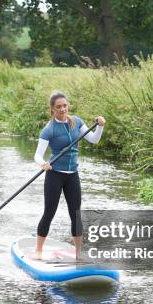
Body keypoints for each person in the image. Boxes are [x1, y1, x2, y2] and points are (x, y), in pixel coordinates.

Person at [33, 91, 106, 260]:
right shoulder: (49, 130)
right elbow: (37, 155)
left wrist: (100, 125)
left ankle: (79, 252)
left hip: (73, 174)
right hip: (55, 175)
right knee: (49, 212)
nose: (62, 109)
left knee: (76, 214)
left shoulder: (77, 122)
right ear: (52, 109)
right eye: (58, 107)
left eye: (65, 105)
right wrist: (42, 163)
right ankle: (38, 250)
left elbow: (94, 139)